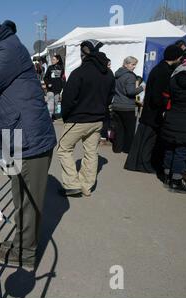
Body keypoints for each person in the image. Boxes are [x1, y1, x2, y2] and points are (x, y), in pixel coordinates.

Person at [0, 11, 56, 270]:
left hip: (30, 140)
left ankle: (26, 256)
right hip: (19, 137)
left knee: (29, 206)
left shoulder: (6, 49)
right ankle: (19, 245)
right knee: (20, 202)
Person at [58, 39, 115, 197]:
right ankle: (86, 186)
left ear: (84, 54)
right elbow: (110, 97)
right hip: (98, 119)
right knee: (91, 153)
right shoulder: (108, 73)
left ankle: (72, 184)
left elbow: (68, 98)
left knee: (63, 149)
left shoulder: (79, 72)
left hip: (78, 118)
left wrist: (66, 116)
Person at [124, 45, 184, 174]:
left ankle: (137, 163)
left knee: (144, 140)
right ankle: (143, 164)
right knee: (148, 141)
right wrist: (164, 107)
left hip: (150, 112)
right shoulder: (163, 71)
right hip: (154, 113)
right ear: (176, 57)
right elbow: (158, 96)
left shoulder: (160, 68)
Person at [160, 55, 186, 194]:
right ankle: (176, 181)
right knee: (182, 150)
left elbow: (165, 95)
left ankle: (167, 175)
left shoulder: (174, 77)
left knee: (170, 147)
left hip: (172, 116)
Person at [111, 56, 145, 154]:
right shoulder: (130, 76)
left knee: (119, 129)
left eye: (135, 64)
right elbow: (130, 92)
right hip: (127, 107)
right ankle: (127, 149)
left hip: (116, 105)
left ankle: (117, 148)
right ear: (126, 64)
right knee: (129, 130)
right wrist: (142, 88)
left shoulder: (117, 74)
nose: (134, 67)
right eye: (132, 64)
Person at [44, 54, 65, 120]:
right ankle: (49, 117)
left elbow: (62, 78)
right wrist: (48, 83)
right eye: (52, 59)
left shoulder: (61, 68)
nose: (52, 61)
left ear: (57, 60)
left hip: (57, 88)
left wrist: (63, 86)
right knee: (50, 102)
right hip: (50, 89)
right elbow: (45, 77)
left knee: (55, 103)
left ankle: (52, 115)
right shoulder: (50, 68)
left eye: (54, 59)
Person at [100, 58, 113, 145]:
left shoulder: (97, 72)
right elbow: (112, 88)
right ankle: (103, 137)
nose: (110, 66)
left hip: (99, 100)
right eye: (108, 65)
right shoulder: (109, 73)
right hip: (104, 101)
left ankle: (102, 137)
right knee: (105, 120)